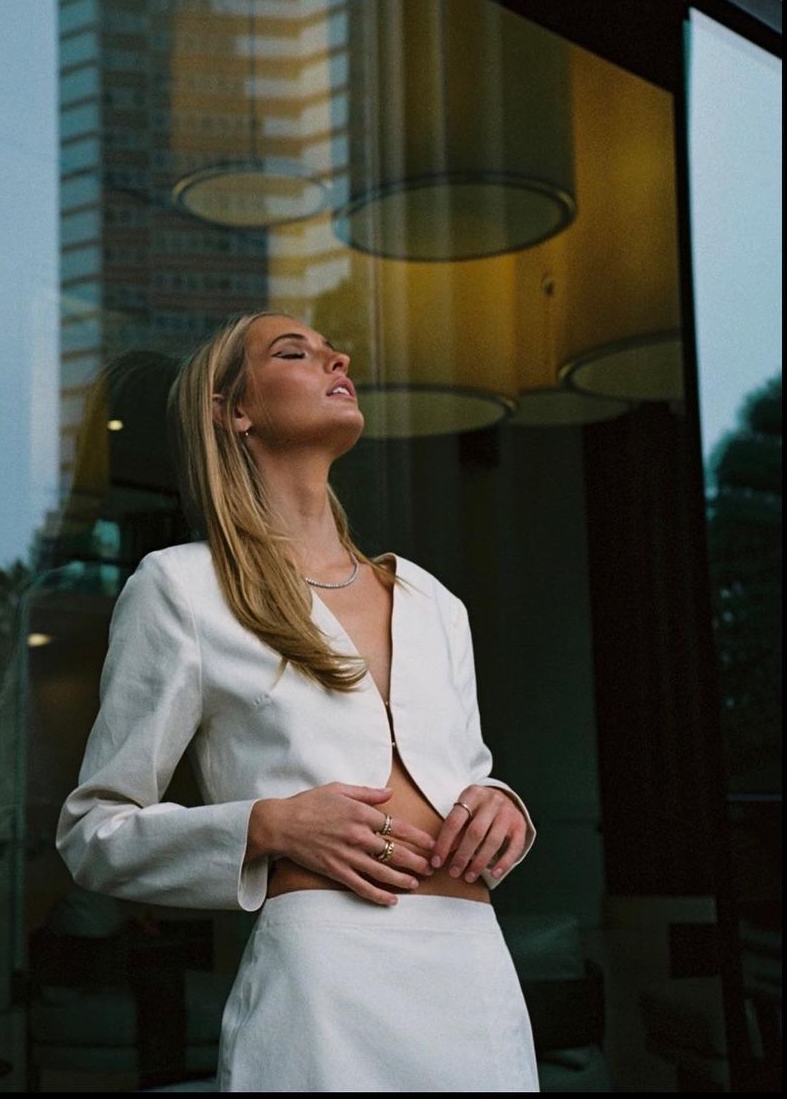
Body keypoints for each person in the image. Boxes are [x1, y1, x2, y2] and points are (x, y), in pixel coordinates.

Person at [57, 309, 540, 1091]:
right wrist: (267, 824)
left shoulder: (434, 602)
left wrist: (501, 807)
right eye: (295, 352)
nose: (336, 358)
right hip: (324, 987)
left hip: (473, 976)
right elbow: (93, 832)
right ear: (234, 411)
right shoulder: (182, 587)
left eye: (331, 350)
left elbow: (465, 775)